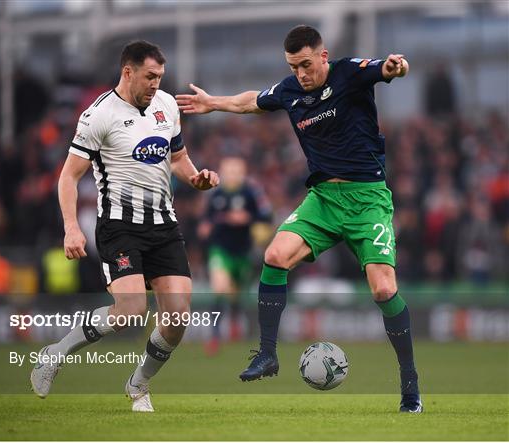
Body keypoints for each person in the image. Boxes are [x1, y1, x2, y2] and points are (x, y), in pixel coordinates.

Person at [176, 25, 422, 413]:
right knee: (274, 255)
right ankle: (268, 354)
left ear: (322, 56)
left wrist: (397, 66)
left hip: (367, 199)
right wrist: (213, 103)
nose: (301, 74)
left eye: (306, 64)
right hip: (323, 199)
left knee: (382, 290)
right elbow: (251, 102)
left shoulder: (349, 73)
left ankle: (410, 386)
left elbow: (389, 70)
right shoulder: (290, 91)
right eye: (294, 67)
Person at [30, 41, 219, 413]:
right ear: (128, 72)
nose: (156, 84)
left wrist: (196, 178)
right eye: (150, 76)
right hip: (120, 226)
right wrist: (71, 226)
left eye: (160, 77)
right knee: (132, 309)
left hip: (164, 224)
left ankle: (138, 384)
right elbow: (68, 177)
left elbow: (177, 157)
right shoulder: (99, 115)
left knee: (178, 317)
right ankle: (56, 353)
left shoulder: (166, 105)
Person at [198, 156, 272, 355]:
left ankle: (237, 327)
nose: (232, 175)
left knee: (236, 295)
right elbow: (205, 221)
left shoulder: (252, 192)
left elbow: (266, 216)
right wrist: (209, 225)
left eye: (236, 171)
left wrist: (250, 220)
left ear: (243, 173)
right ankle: (214, 337)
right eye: (228, 171)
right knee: (220, 288)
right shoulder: (215, 194)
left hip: (244, 251)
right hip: (220, 249)